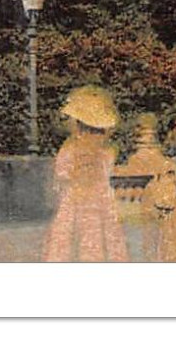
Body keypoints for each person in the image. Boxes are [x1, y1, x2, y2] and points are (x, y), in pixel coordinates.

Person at [42, 84, 128, 262]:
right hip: (101, 199)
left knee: (69, 241)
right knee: (101, 240)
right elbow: (108, 173)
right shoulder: (107, 151)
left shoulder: (70, 149)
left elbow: (61, 174)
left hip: (75, 199)